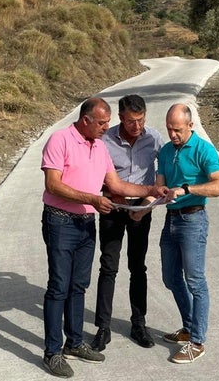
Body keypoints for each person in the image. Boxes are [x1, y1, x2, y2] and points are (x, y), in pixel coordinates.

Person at [40, 97, 168, 378]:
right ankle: (52, 352)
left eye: (107, 122)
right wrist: (93, 199)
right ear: (85, 120)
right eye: (101, 122)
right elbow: (53, 184)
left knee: (78, 286)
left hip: (85, 223)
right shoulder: (59, 140)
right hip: (60, 221)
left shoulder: (99, 146)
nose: (105, 127)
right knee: (59, 287)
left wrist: (152, 190)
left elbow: (116, 184)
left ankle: (74, 343)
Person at [90, 95, 164, 352]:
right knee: (108, 266)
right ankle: (103, 328)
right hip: (112, 207)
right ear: (120, 117)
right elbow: (94, 175)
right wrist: (107, 192)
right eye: (131, 121)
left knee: (138, 266)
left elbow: (162, 175)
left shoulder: (154, 138)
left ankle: (139, 324)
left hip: (140, 209)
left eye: (141, 120)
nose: (137, 126)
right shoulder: (105, 140)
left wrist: (148, 201)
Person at [156, 103, 219, 364]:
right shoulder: (165, 151)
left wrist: (187, 190)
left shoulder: (203, 149)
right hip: (171, 220)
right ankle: (188, 328)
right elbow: (159, 183)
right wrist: (160, 192)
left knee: (195, 281)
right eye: (169, 129)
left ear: (190, 126)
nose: (173, 134)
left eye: (177, 129)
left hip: (193, 221)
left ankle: (197, 342)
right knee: (170, 277)